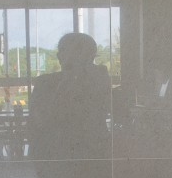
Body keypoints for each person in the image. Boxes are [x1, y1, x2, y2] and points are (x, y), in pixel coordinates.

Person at [28, 32, 111, 161]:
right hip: (59, 157)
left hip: (92, 154)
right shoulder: (45, 84)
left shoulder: (97, 79)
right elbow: (41, 121)